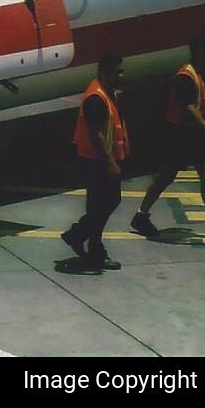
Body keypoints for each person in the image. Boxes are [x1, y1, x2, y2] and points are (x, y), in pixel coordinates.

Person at [130, 35, 205, 240]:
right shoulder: (185, 76)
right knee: (166, 176)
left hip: (195, 134)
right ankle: (141, 215)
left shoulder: (201, 73)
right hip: (181, 134)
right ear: (199, 51)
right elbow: (189, 109)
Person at [62, 53, 127, 271]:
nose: (122, 74)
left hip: (99, 159)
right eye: (117, 71)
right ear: (104, 72)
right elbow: (96, 134)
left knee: (100, 205)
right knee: (107, 202)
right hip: (96, 160)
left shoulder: (105, 92)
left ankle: (89, 243)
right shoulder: (96, 98)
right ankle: (82, 237)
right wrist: (110, 162)